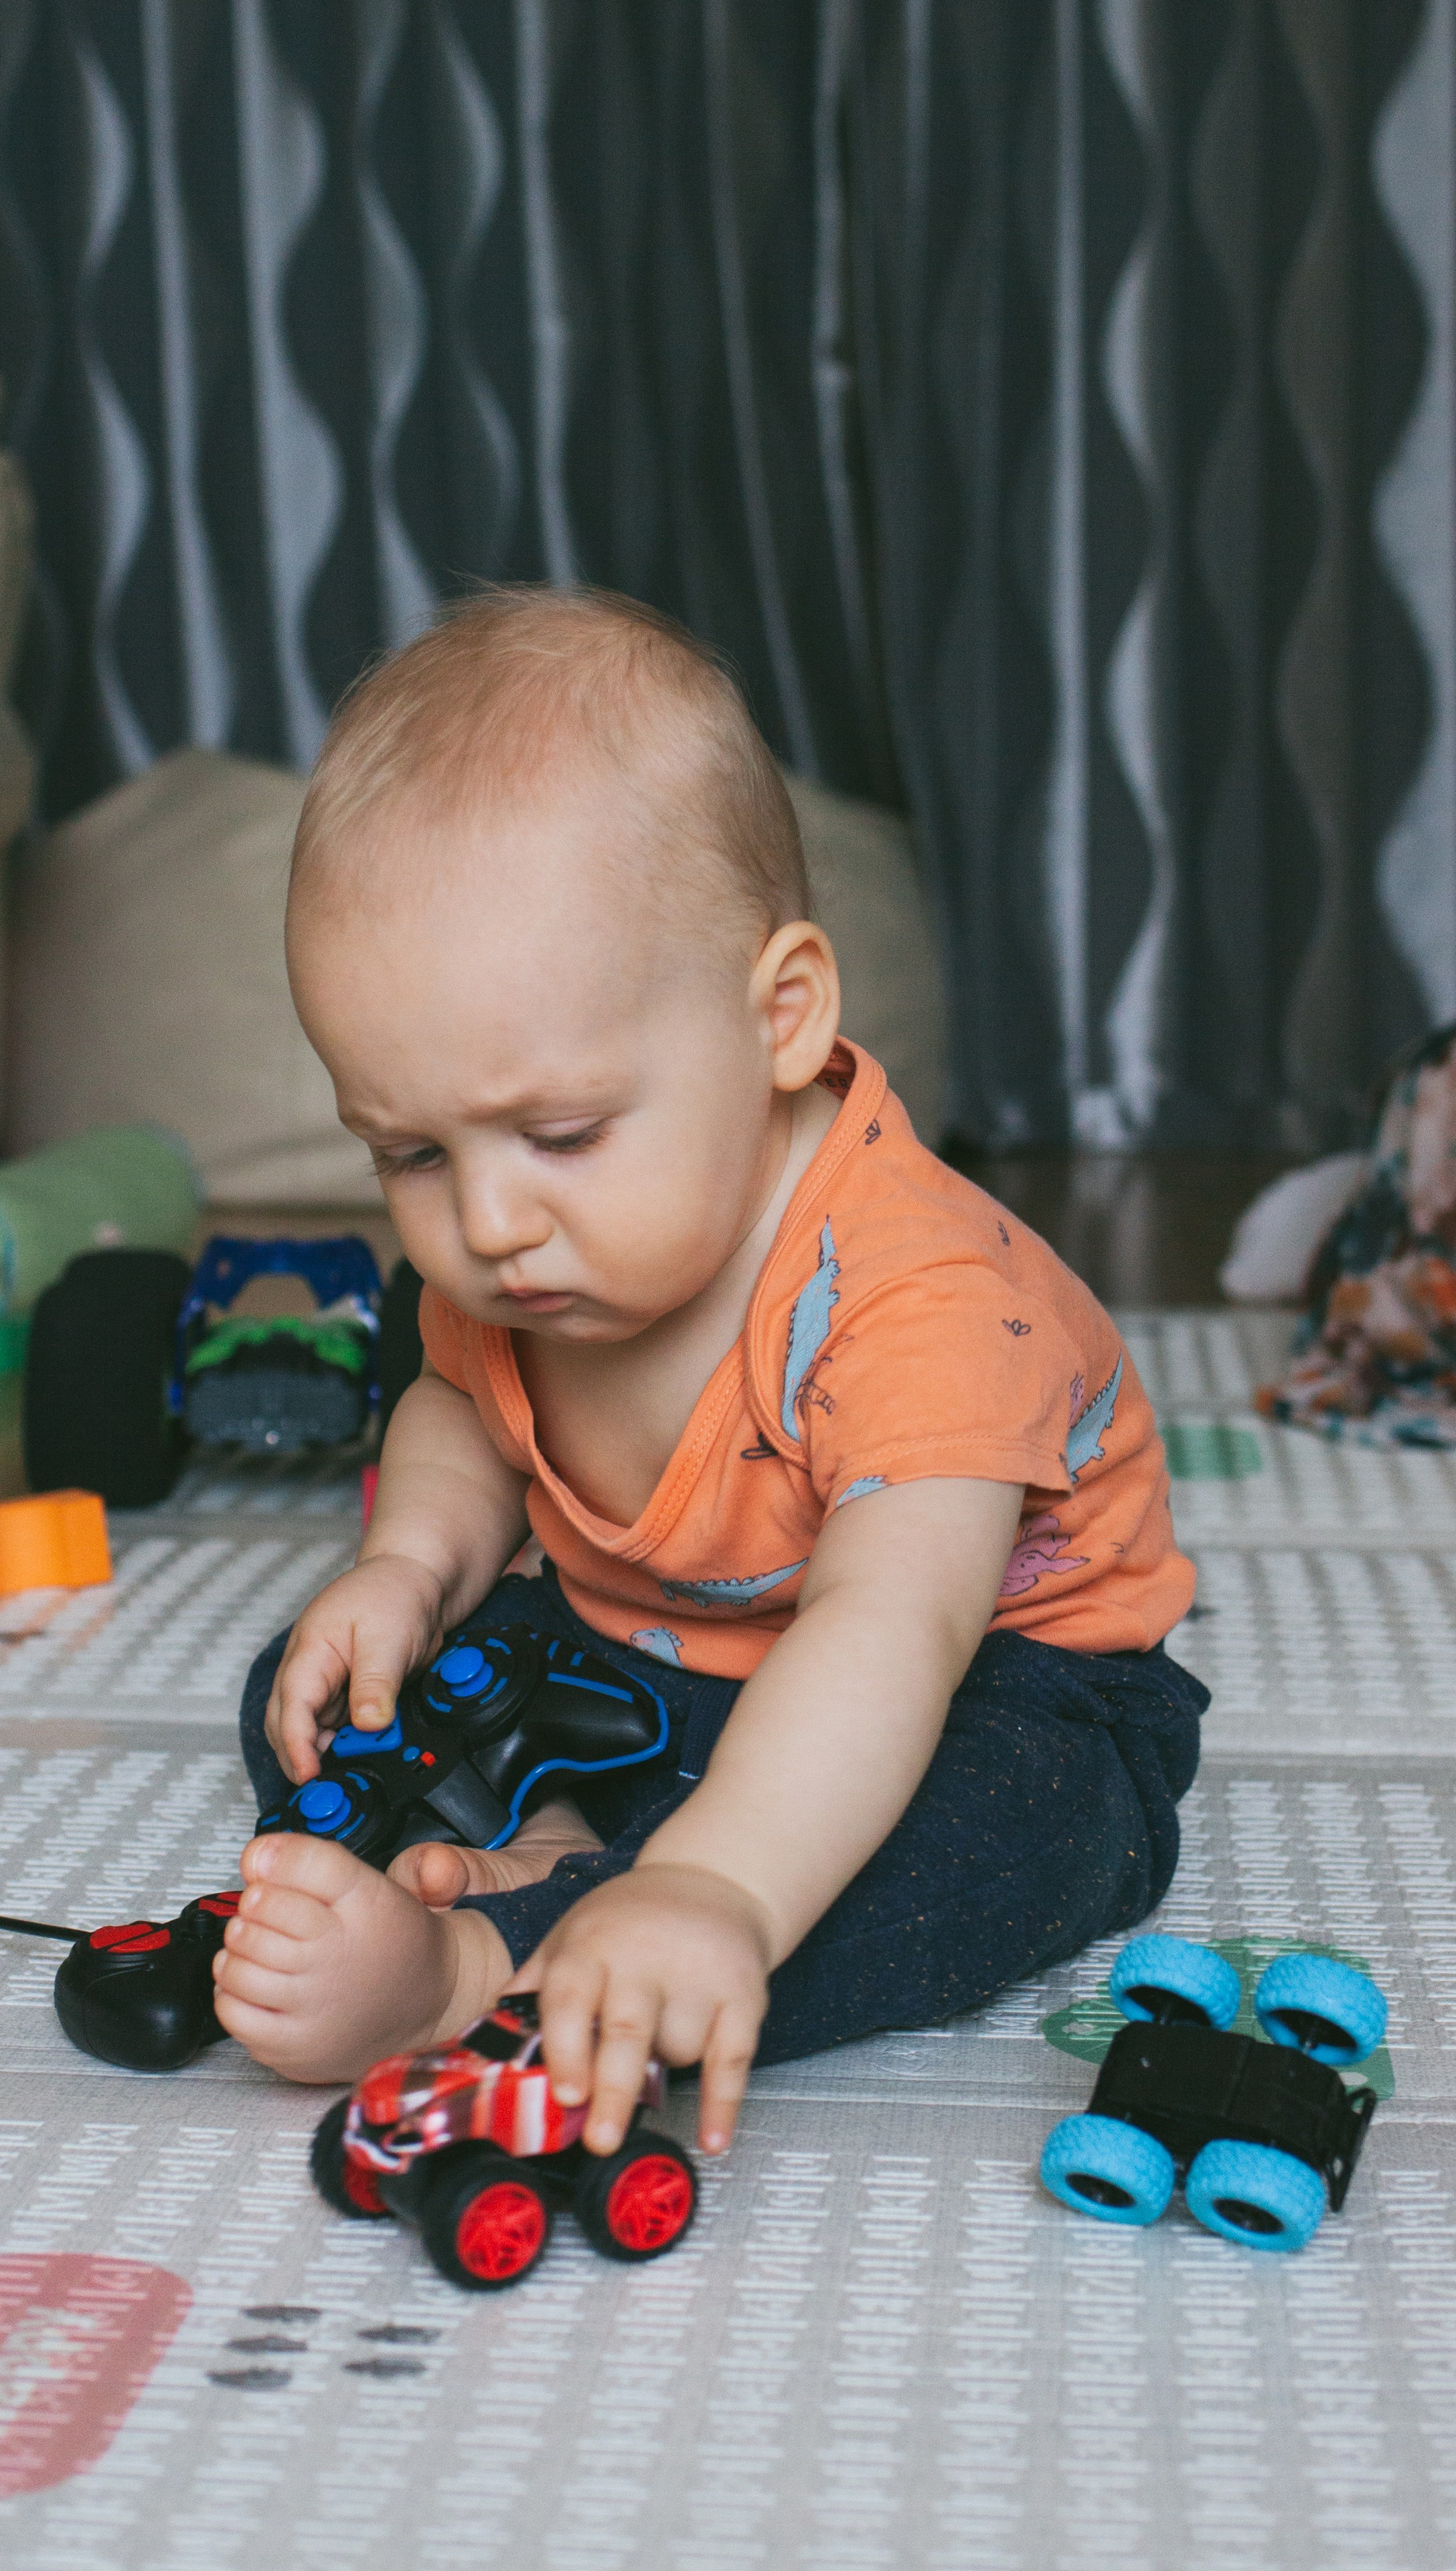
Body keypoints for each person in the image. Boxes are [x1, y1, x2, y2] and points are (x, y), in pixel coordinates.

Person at [212, 585, 1206, 2161]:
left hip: (967, 1682)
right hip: (640, 1644)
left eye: (560, 1134)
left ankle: (489, 1967)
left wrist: (717, 1884)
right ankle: (557, 1842)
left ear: (779, 1019)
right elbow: (461, 1403)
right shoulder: (527, 1253)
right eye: (410, 1154)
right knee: (318, 1679)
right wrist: (407, 1567)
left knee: (1001, 1839)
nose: (487, 1223)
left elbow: (886, 1630)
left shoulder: (919, 1301)